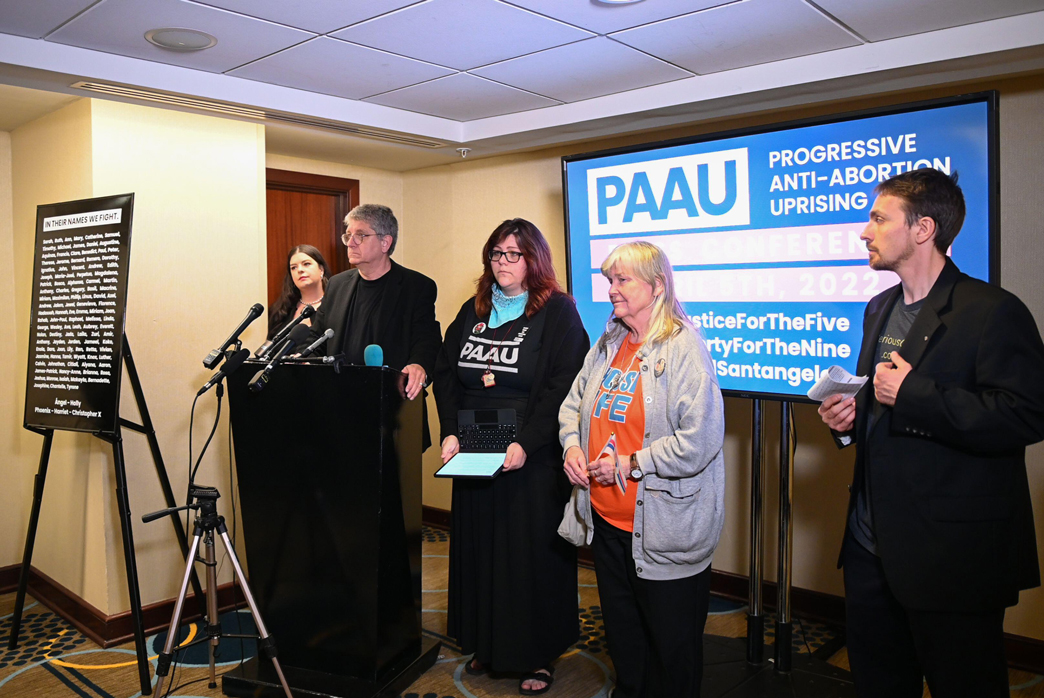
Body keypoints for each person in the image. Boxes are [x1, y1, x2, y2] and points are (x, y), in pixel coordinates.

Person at [818, 169, 1044, 698]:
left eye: (878, 218)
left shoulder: (992, 311)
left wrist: (916, 394)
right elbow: (878, 407)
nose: (864, 231)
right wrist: (847, 422)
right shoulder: (880, 308)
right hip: (870, 550)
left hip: (952, 557)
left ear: (923, 229)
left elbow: (1027, 414)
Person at [559, 241, 725, 698]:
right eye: (609, 280)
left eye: (622, 280)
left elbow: (700, 440)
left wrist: (631, 464)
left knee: (672, 655)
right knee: (627, 647)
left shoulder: (683, 347)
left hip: (665, 531)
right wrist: (573, 446)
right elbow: (573, 405)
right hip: (609, 523)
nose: (611, 290)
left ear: (657, 287)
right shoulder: (610, 340)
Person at [434, 218, 589, 695]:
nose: (502, 263)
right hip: (475, 448)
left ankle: (536, 655)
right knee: (481, 551)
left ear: (534, 260)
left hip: (533, 454)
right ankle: (488, 644)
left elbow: (565, 385)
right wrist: (450, 432)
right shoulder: (474, 308)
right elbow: (446, 373)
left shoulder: (558, 312)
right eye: (496, 254)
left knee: (527, 559)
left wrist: (528, 440)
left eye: (512, 254)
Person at [267, 244, 331, 340]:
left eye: (306, 264)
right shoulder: (280, 311)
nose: (300, 270)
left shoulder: (334, 306)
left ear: (321, 269)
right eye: (293, 267)